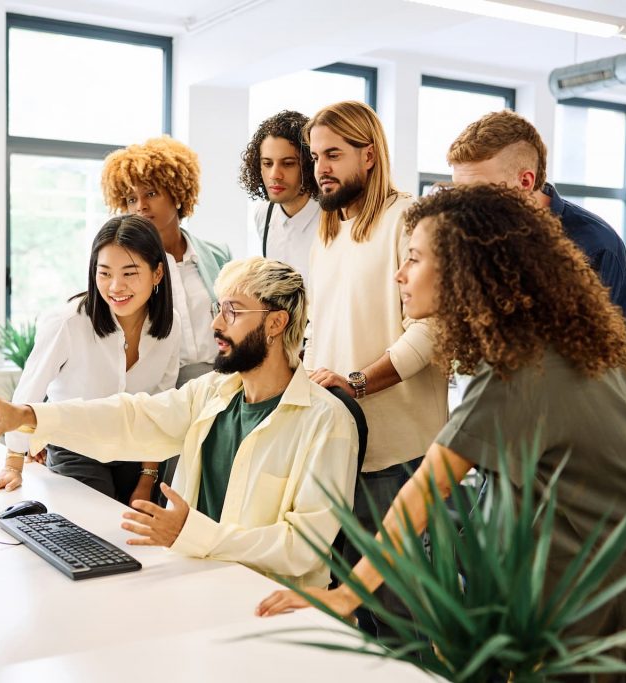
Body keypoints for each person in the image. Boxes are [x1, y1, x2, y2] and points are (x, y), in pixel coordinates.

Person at [256, 184, 626, 671]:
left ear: (465, 272)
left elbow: (424, 493)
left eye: (414, 258)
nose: (399, 272)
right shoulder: (570, 338)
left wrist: (346, 598)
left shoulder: (511, 374)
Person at [0, 257, 359, 588]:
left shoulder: (328, 422)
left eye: (233, 311)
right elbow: (130, 418)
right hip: (199, 583)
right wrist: (32, 416)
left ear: (276, 323)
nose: (216, 325)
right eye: (217, 309)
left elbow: (302, 547)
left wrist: (190, 533)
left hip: (270, 606)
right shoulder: (213, 393)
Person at [302, 100, 448, 636]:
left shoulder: (407, 220)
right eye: (316, 155)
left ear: (369, 155)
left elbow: (433, 331)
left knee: (404, 619)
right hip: (342, 450)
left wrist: (357, 383)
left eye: (334, 154)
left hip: (400, 456)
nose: (321, 168)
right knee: (354, 616)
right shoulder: (327, 235)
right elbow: (319, 330)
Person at [0, 215, 180, 506]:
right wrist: (13, 463)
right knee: (93, 528)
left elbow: (159, 407)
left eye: (130, 273)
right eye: (105, 273)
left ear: (157, 274)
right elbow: (29, 391)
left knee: (138, 533)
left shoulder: (170, 328)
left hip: (135, 450)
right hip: (76, 447)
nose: (115, 286)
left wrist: (148, 479)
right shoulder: (67, 322)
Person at [447, 109, 626, 339]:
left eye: (478, 192)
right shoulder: (477, 235)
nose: (464, 207)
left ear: (525, 181)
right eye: (459, 193)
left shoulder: (595, 245)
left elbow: (614, 354)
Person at [102, 136, 231, 386]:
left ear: (178, 193)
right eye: (131, 199)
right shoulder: (127, 268)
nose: (140, 206)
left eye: (151, 193)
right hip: (161, 388)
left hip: (223, 380)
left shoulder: (218, 256)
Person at [239, 110, 321, 283]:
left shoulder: (335, 216)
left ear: (308, 165)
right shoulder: (264, 214)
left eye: (288, 163)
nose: (275, 175)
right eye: (267, 163)